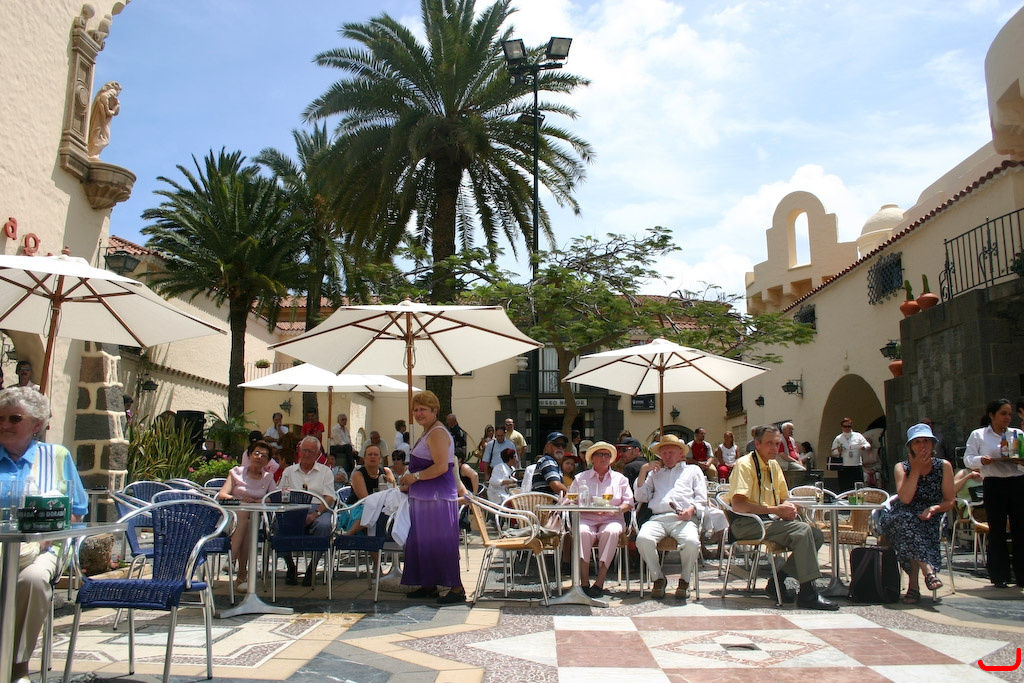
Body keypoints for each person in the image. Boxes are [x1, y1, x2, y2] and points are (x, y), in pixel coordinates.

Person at [0, 387, 88, 682]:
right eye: (0, 418)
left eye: (15, 418)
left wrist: (48, 534)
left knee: (33, 580)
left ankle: (17, 666)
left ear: (36, 424)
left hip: (45, 547)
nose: (5, 424)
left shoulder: (56, 456)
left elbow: (77, 511)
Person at [727, 424, 836, 610]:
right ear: (757, 444)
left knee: (815, 534)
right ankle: (808, 593)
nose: (774, 448)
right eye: (769, 443)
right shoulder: (745, 465)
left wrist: (788, 508)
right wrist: (777, 510)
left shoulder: (774, 465)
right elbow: (738, 505)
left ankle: (778, 580)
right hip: (746, 523)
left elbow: (783, 497)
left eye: (777, 444)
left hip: (769, 521)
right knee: (803, 531)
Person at [397, 390, 467, 604]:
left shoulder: (437, 433)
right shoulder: (428, 431)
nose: (418, 413)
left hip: (436, 498)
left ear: (435, 410)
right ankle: (429, 584)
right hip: (424, 497)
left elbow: (441, 466)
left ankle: (456, 588)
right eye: (415, 410)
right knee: (424, 542)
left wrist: (415, 477)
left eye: (423, 409)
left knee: (439, 543)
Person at [877, 423, 955, 603]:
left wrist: (933, 509)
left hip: (931, 515)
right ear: (910, 447)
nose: (922, 446)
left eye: (926, 441)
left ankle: (914, 587)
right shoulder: (902, 467)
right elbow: (905, 499)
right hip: (903, 512)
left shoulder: (943, 466)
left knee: (909, 529)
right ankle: (928, 572)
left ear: (932, 444)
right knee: (906, 521)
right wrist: (917, 469)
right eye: (917, 442)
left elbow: (950, 501)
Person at [633, 434, 703, 600]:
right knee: (642, 539)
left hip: (683, 519)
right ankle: (658, 578)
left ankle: (685, 580)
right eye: (664, 453)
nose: (667, 456)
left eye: (671, 452)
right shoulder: (655, 473)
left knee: (692, 543)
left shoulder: (692, 470)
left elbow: (702, 498)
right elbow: (641, 497)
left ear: (680, 453)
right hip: (658, 518)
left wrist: (692, 510)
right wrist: (644, 470)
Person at [964, 398, 1024, 587]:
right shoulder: (979, 435)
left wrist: (1019, 460)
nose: (1007, 418)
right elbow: (968, 459)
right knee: (997, 530)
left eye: (1009, 414)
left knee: (1020, 529)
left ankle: (1021, 574)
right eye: (1003, 413)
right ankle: (999, 575)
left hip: (1017, 482)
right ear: (992, 415)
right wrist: (982, 460)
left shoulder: (1017, 434)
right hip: (994, 484)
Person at [571, 441, 633, 597]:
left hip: (612, 519)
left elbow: (629, 502)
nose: (604, 458)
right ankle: (584, 582)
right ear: (592, 458)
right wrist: (569, 501)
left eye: (607, 455)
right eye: (600, 454)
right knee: (581, 532)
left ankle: (600, 581)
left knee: (611, 532)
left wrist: (617, 509)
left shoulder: (620, 479)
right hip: (586, 518)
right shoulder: (580, 478)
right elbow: (571, 500)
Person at [216, 440, 278, 590]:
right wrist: (240, 501)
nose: (259, 457)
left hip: (253, 519)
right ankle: (240, 571)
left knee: (248, 523)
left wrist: (257, 501)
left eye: (264, 455)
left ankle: (234, 564)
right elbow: (222, 495)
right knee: (244, 514)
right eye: (256, 453)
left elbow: (274, 497)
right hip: (230, 518)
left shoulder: (268, 477)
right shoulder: (236, 472)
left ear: (268, 461)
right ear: (249, 455)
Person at [278, 436, 336, 586]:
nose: (307, 454)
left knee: (324, 526)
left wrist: (314, 514)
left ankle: (312, 567)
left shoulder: (325, 472)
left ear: (317, 454)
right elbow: (280, 494)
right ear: (299, 451)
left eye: (311, 451)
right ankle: (290, 566)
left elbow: (329, 498)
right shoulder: (289, 471)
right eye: (304, 450)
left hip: (318, 508)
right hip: (293, 509)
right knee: (277, 526)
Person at [830, 418, 872, 492]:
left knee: (858, 487)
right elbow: (833, 452)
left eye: (849, 426)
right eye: (845, 426)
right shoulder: (838, 438)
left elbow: (868, 445)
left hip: (856, 465)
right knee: (845, 487)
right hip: (844, 466)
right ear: (842, 427)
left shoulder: (858, 435)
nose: (847, 428)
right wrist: (838, 451)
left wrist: (864, 447)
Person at [87, 80, 120, 157]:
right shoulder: (113, 91)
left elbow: (116, 112)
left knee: (99, 135)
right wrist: (107, 109)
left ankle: (92, 153)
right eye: (119, 91)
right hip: (102, 118)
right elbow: (104, 96)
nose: (118, 93)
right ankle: (92, 154)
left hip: (102, 118)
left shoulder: (113, 97)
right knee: (104, 138)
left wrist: (114, 107)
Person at [531, 432, 569, 496]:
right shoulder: (548, 460)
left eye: (563, 445)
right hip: (547, 501)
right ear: (548, 446)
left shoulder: (554, 463)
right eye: (557, 445)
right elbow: (557, 486)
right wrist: (571, 496)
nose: (560, 448)